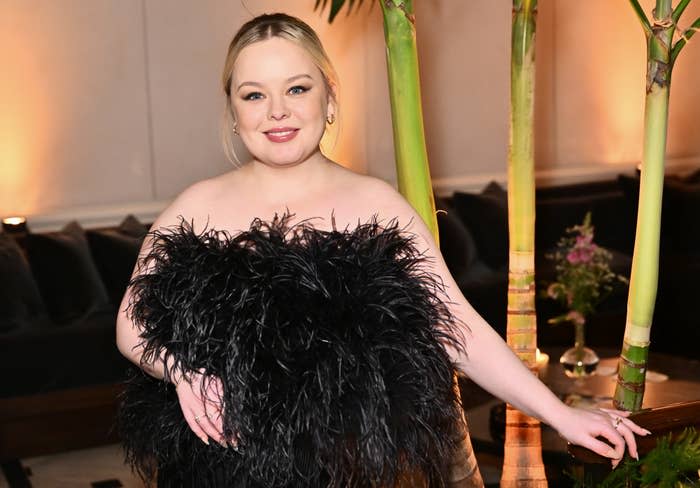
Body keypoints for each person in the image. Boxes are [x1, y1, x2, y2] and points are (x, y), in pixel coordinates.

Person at [116, 12, 648, 486]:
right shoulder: (197, 206)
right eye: (253, 94)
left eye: (297, 89)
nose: (276, 110)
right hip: (216, 467)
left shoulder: (376, 205)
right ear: (233, 112)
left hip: (346, 472)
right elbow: (130, 325)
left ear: (328, 97)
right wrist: (181, 370)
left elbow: (456, 327)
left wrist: (562, 414)